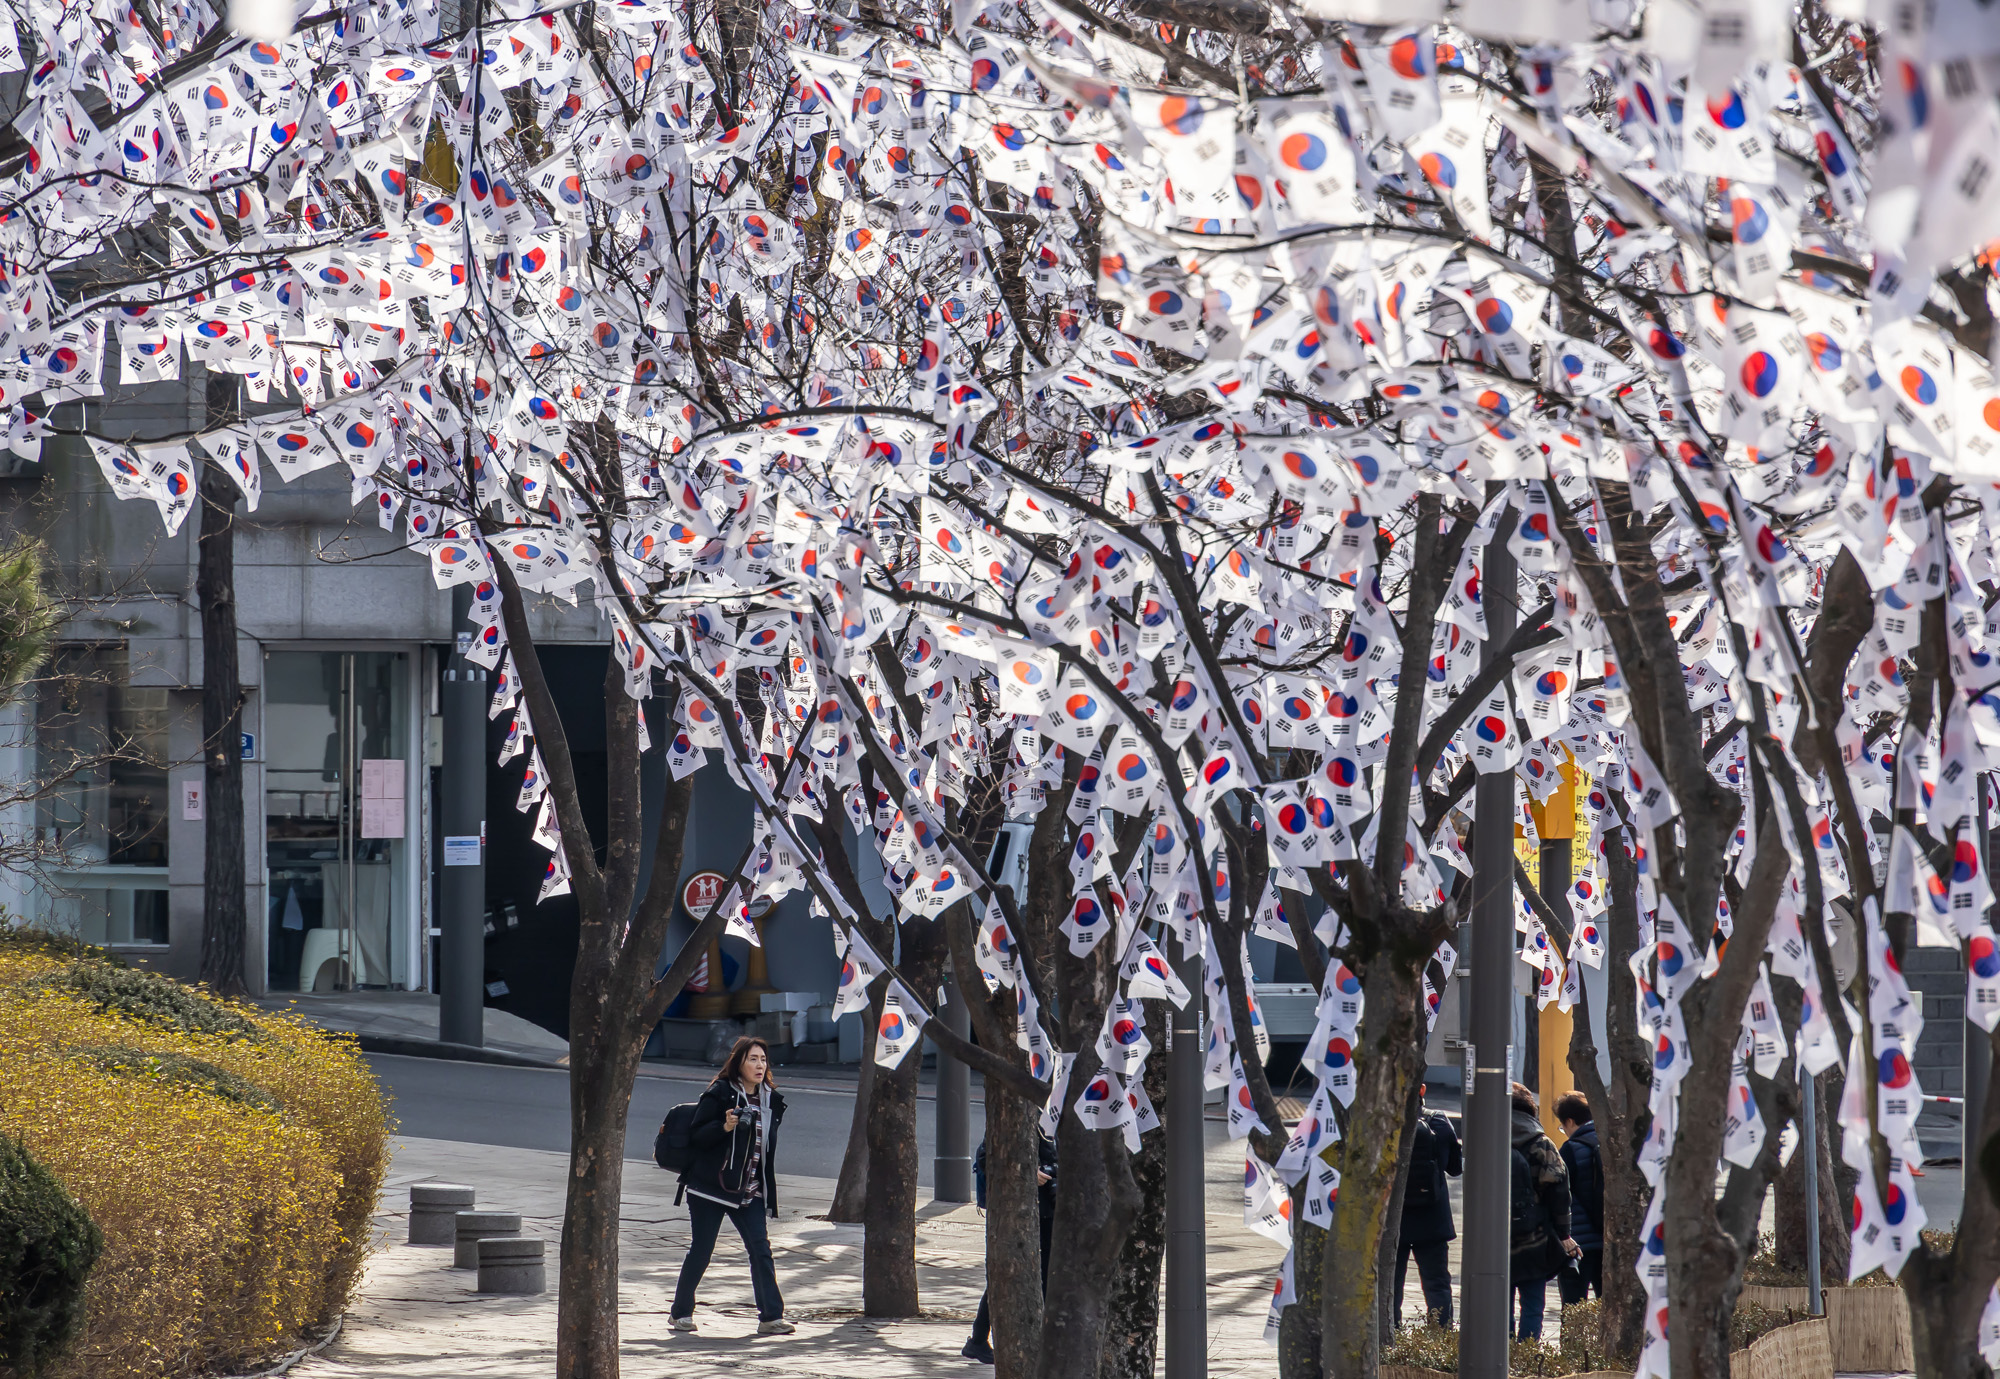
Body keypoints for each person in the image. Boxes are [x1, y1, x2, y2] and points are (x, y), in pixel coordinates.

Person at [670, 1036, 796, 1335]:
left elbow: (764, 1150)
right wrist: (724, 1126)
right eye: (753, 1059)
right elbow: (698, 1135)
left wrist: (766, 1190)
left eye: (763, 1059)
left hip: (747, 1188)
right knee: (702, 1250)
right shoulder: (720, 1092)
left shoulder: (770, 1100)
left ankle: (771, 1317)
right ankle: (680, 1313)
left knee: (760, 1249)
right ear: (738, 1062)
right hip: (710, 1187)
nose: (759, 1065)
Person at [962, 1130, 1057, 1365]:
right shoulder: (1029, 1113)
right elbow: (987, 1157)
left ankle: (979, 1339)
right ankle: (980, 1339)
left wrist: (1053, 1170)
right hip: (1028, 1211)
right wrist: (1029, 1173)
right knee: (1015, 1273)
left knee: (1041, 1274)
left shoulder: (1060, 1115)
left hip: (1049, 1209)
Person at [1508, 1082, 1577, 1341]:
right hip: (1534, 1235)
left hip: (1494, 1236)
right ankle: (1526, 1355)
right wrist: (1564, 1234)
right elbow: (1559, 1192)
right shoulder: (1542, 1144)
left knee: (1499, 1298)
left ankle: (1500, 1354)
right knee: (1533, 1302)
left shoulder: (1487, 1139)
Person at [1395, 1083, 1462, 1328]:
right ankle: (1440, 1338)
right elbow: (1455, 1168)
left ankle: (1389, 1338)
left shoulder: (1384, 1125)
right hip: (1433, 1218)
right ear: (1422, 1090)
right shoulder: (1439, 1122)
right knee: (1437, 1285)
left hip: (1394, 1218)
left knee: (1391, 1285)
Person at [1555, 1090, 1604, 1305]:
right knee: (1607, 1305)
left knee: (1574, 1306)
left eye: (1562, 1126)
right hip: (1607, 1239)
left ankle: (1575, 1341)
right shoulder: (1609, 1142)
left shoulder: (1570, 1150)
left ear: (1570, 1121)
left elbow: (1560, 1194)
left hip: (1579, 1244)